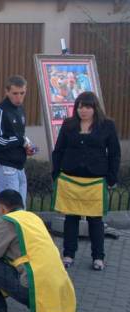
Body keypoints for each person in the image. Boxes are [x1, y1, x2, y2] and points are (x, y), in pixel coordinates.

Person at [0, 190, 76, 312]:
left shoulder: (7, 222)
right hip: (56, 287)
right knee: (28, 265)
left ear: (2, 208)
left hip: (32, 287)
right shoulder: (33, 218)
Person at [52, 91, 121, 270]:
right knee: (71, 219)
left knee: (95, 221)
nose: (83, 110)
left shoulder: (107, 125)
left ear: (94, 108)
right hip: (70, 179)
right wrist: (55, 173)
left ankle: (98, 257)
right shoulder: (68, 124)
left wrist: (112, 177)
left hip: (95, 181)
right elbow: (58, 150)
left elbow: (114, 153)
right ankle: (68, 254)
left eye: (87, 107)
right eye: (80, 107)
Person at [0, 75, 36, 205]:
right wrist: (21, 141)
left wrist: (27, 146)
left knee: (20, 210)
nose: (19, 97)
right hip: (5, 168)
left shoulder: (20, 109)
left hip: (20, 167)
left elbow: (19, 135)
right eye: (15, 93)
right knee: (10, 209)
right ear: (7, 91)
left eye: (22, 93)